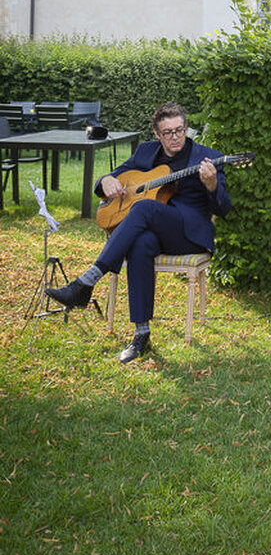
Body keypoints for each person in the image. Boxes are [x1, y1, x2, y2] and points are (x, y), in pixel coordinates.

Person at [47, 102, 232, 363]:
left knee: (145, 207)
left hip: (188, 235)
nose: (175, 136)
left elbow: (224, 208)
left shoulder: (207, 157)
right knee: (140, 242)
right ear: (157, 134)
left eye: (180, 130)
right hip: (154, 231)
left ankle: (86, 282)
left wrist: (212, 184)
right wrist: (105, 180)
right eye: (168, 132)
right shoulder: (146, 151)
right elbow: (114, 178)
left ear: (186, 128)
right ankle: (141, 334)